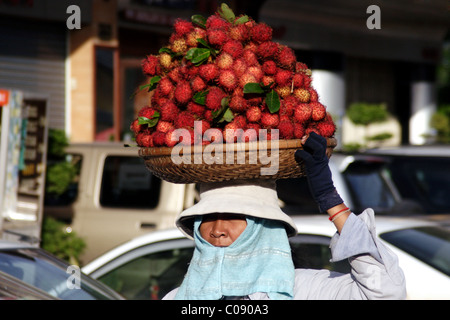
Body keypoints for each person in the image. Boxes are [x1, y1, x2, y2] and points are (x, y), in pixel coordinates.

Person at [163, 133, 406, 300]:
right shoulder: (179, 297)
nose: (217, 230)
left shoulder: (302, 289)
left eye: (233, 216)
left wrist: (330, 200)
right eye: (207, 217)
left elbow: (384, 292)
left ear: (264, 227)